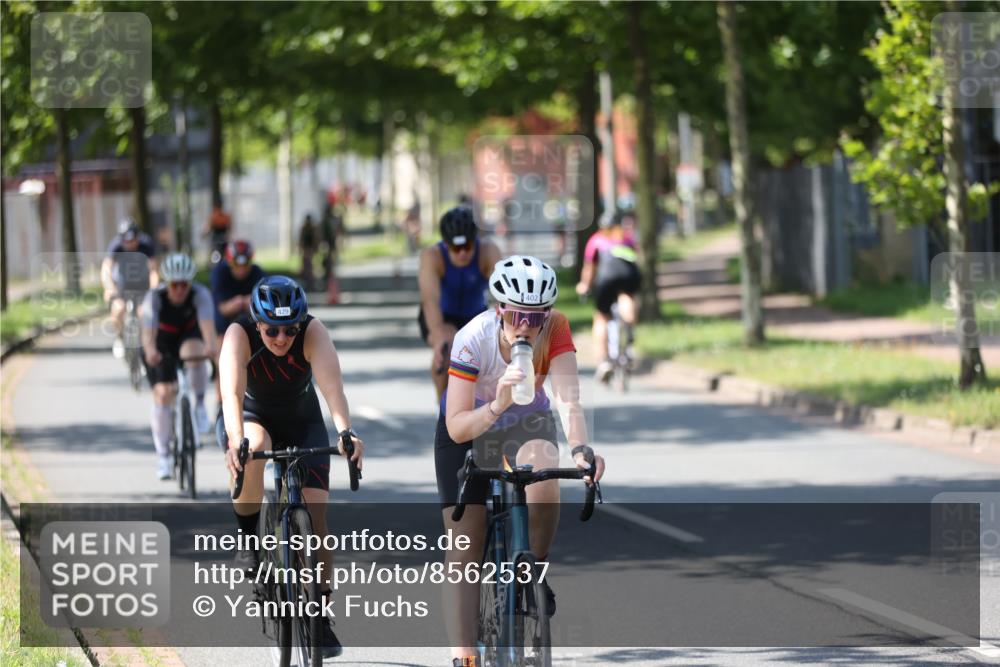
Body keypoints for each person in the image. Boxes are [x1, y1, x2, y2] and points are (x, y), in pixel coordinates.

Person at [436, 255, 606, 667]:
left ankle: (533, 573)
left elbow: (567, 399)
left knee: (545, 481)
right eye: (517, 316)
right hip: (471, 426)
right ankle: (465, 657)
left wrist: (582, 449)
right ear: (500, 310)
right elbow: (458, 427)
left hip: (527, 423)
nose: (526, 326)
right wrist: (497, 403)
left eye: (537, 317)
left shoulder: (556, 328)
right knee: (465, 547)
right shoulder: (471, 339)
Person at [219, 275, 365, 658]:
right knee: (255, 449)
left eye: (289, 330)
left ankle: (321, 616)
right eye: (271, 330)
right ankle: (250, 537)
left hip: (303, 421)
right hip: (252, 417)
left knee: (316, 523)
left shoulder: (313, 333)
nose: (281, 338)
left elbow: (333, 390)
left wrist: (346, 431)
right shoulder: (239, 335)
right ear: (257, 322)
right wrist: (237, 440)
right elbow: (231, 393)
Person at [140, 253, 217, 479]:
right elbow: (148, 332)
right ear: (167, 283)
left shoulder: (200, 295)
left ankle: (200, 405)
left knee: (197, 352)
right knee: (164, 394)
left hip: (187, 337)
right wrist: (151, 351)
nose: (180, 290)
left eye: (185, 284)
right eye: (175, 285)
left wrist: (211, 348)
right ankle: (163, 456)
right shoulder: (154, 298)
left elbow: (208, 328)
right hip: (161, 342)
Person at [418, 206, 502, 400]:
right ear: (446, 245)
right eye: (456, 248)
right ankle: (443, 411)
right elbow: (430, 301)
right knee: (446, 351)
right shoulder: (432, 256)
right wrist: (439, 337)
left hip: (474, 315)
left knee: (487, 358)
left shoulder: (488, 251)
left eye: (467, 247)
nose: (462, 253)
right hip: (441, 315)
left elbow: (503, 295)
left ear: (475, 242)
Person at [575, 211, 641, 382]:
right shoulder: (627, 238)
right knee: (627, 297)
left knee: (602, 318)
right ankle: (629, 330)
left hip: (607, 276)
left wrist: (584, 286)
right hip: (629, 274)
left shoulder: (596, 239)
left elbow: (590, 267)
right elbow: (637, 257)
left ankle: (604, 360)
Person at [101, 217, 158, 359]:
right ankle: (120, 337)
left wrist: (153, 290)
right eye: (126, 241)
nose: (130, 244)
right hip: (123, 285)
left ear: (138, 237)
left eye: (132, 240)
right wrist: (109, 287)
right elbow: (106, 269)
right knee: (118, 310)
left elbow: (153, 271)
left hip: (142, 285)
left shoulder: (146, 245)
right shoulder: (116, 246)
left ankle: (145, 347)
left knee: (143, 314)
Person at [299, 213, 319, 290]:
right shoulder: (305, 228)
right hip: (306, 249)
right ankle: (308, 282)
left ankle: (311, 283)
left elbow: (315, 239)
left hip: (310, 249)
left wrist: (315, 248)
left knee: (310, 267)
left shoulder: (312, 228)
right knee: (306, 266)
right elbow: (301, 239)